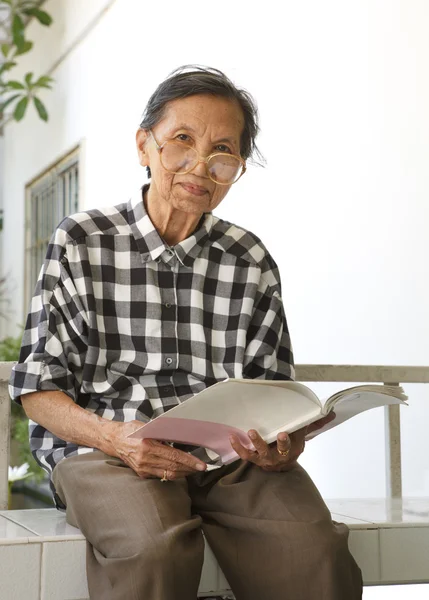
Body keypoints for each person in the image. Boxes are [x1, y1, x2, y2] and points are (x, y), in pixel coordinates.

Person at [9, 66, 362, 600]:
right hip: (110, 448)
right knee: (155, 547)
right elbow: (37, 389)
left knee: (314, 549)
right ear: (144, 146)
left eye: (223, 151)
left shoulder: (250, 258)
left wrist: (282, 445)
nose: (201, 165)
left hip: (229, 458)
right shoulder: (82, 240)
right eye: (182, 141)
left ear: (237, 167)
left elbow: (273, 391)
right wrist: (115, 439)